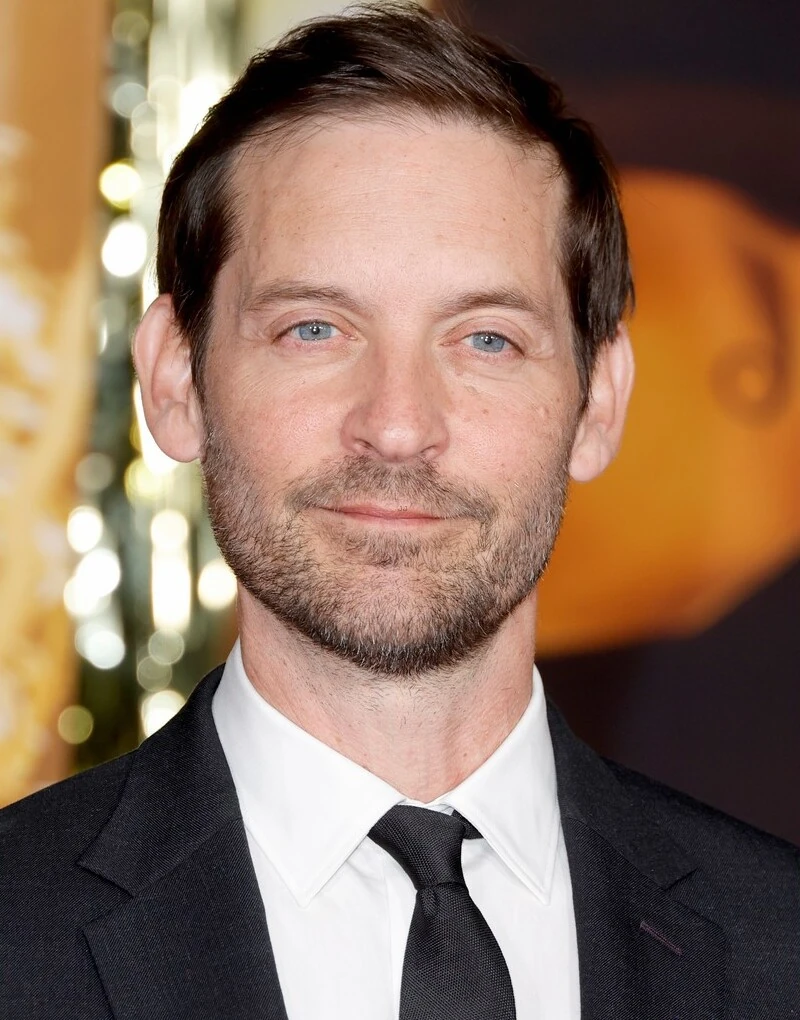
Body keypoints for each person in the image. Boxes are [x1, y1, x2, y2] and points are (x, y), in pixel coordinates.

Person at [1, 5, 798, 1018]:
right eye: (314, 328)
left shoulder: (779, 947)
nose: (396, 425)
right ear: (174, 379)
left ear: (597, 403)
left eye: (486, 340)